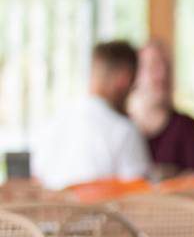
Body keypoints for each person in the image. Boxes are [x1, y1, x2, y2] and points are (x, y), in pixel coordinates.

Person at [31, 40, 151, 189]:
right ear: (124, 79)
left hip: (49, 203)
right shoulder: (124, 130)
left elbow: (37, 178)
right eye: (134, 83)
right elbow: (140, 192)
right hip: (104, 204)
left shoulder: (53, 121)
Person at [127, 39, 194, 176]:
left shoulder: (191, 130)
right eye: (153, 66)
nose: (162, 74)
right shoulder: (119, 129)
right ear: (134, 74)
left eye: (167, 67)